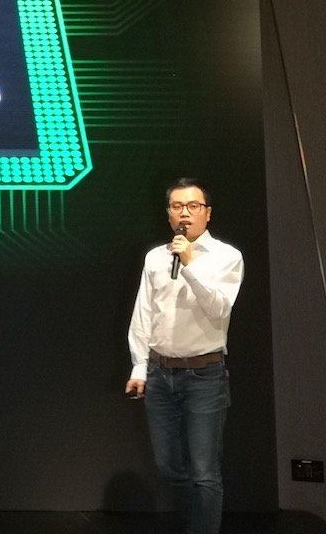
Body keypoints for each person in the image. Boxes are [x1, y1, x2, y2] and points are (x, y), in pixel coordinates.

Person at [125, 178, 244, 534]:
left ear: (208, 212)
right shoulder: (156, 257)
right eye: (177, 207)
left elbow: (220, 309)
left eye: (193, 206)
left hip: (204, 376)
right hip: (160, 374)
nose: (185, 214)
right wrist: (139, 367)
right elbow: (144, 313)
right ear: (169, 214)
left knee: (205, 472)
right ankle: (197, 520)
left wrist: (190, 264)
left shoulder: (227, 256)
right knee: (168, 467)